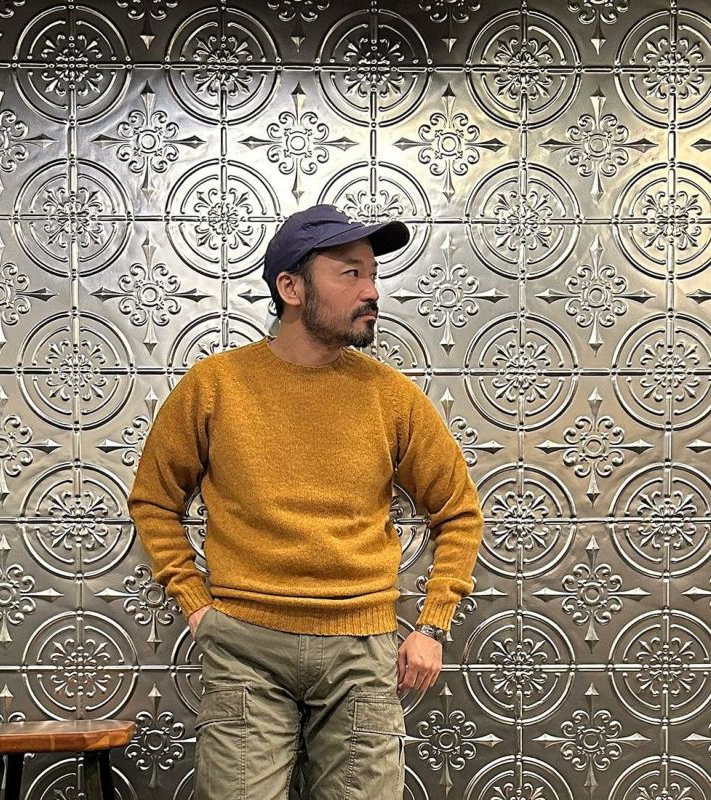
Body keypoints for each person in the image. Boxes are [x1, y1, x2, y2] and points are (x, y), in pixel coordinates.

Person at [127, 204, 484, 800]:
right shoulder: (215, 386)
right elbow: (154, 500)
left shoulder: (392, 397)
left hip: (361, 653)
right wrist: (194, 603)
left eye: (373, 274)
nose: (372, 291)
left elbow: (459, 512)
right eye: (351, 273)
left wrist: (432, 625)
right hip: (245, 647)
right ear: (290, 288)